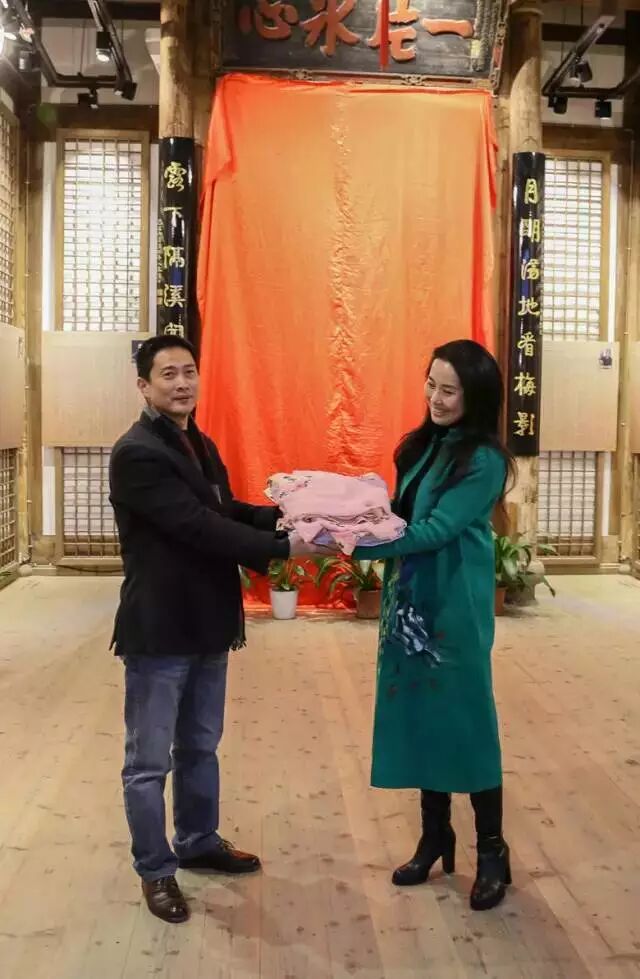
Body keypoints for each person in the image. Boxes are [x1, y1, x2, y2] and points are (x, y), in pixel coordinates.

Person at [109, 334, 325, 924]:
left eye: (189, 371)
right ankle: (156, 870)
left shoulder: (197, 442)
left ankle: (198, 841)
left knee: (201, 745)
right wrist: (283, 548)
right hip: (160, 626)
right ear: (144, 386)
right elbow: (197, 526)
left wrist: (290, 515)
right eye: (168, 374)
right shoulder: (136, 453)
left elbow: (223, 509)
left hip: (208, 620)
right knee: (148, 761)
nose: (182, 383)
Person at [352, 339, 515, 911]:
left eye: (450, 391)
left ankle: (491, 849)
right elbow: (402, 515)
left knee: (467, 722)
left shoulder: (484, 460)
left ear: (477, 397)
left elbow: (436, 530)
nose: (436, 399)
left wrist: (356, 541)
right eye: (431, 385)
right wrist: (347, 514)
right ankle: (435, 835)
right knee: (422, 716)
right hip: (410, 604)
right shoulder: (422, 445)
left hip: (453, 608)